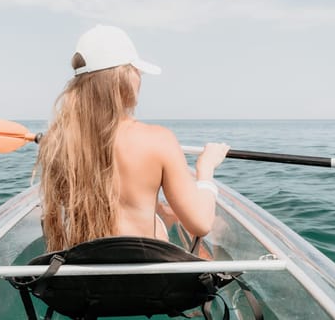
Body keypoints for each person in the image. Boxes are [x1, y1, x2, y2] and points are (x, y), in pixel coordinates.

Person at [37, 25, 230, 252]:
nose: (140, 77)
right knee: (190, 222)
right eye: (136, 70)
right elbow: (201, 224)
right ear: (122, 77)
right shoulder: (159, 140)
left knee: (162, 211)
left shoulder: (56, 143)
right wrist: (206, 170)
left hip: (84, 279)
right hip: (145, 276)